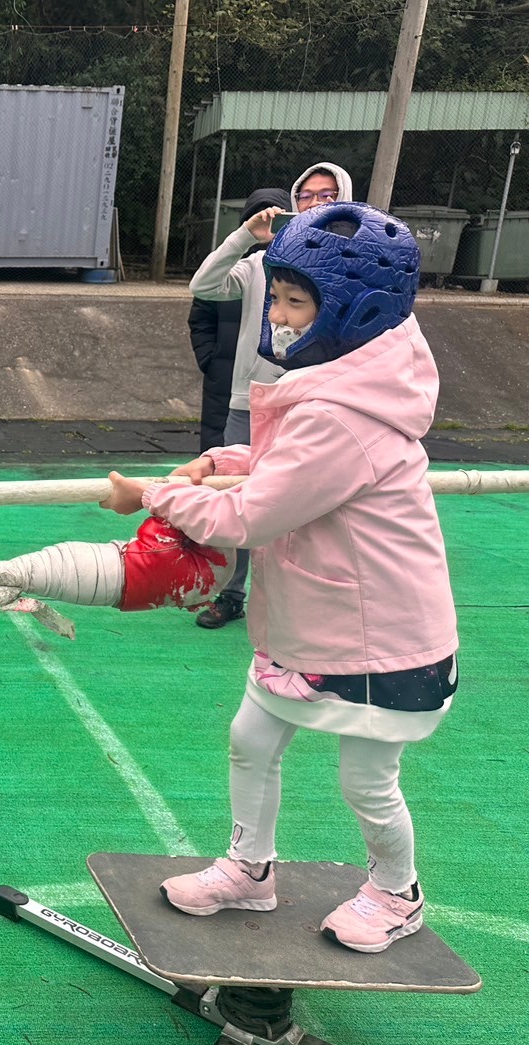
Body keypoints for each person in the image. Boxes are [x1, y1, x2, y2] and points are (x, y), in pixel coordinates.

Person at [105, 202, 457, 954]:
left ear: (355, 313)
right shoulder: (347, 381)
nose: (278, 316)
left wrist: (154, 494)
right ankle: (248, 869)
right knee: (252, 737)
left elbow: (249, 518)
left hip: (381, 637)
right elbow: (281, 467)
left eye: (296, 301)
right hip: (316, 621)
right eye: (278, 296)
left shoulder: (345, 413)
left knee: (367, 780)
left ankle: (397, 893)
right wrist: (217, 461)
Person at [188, 165, 353, 629]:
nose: (316, 203)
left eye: (328, 195)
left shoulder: (354, 267)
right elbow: (203, 286)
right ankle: (231, 592)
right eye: (307, 195)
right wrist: (246, 236)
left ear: (345, 201)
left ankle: (307, 598)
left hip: (320, 402)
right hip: (253, 401)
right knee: (241, 496)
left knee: (317, 507)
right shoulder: (263, 262)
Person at [186, 190, 290, 452]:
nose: (268, 227)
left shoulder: (298, 271)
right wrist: (211, 359)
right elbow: (201, 310)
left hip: (274, 384)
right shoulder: (240, 266)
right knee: (219, 454)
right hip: (226, 377)